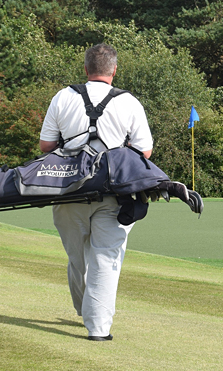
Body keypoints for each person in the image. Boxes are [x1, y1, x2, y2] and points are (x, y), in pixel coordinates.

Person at [38, 43, 153, 341]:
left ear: (86, 69)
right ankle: (98, 328)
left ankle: (86, 311)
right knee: (106, 257)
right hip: (114, 193)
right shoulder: (129, 102)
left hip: (68, 191)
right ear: (114, 70)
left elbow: (46, 147)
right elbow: (145, 151)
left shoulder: (63, 97)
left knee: (78, 258)